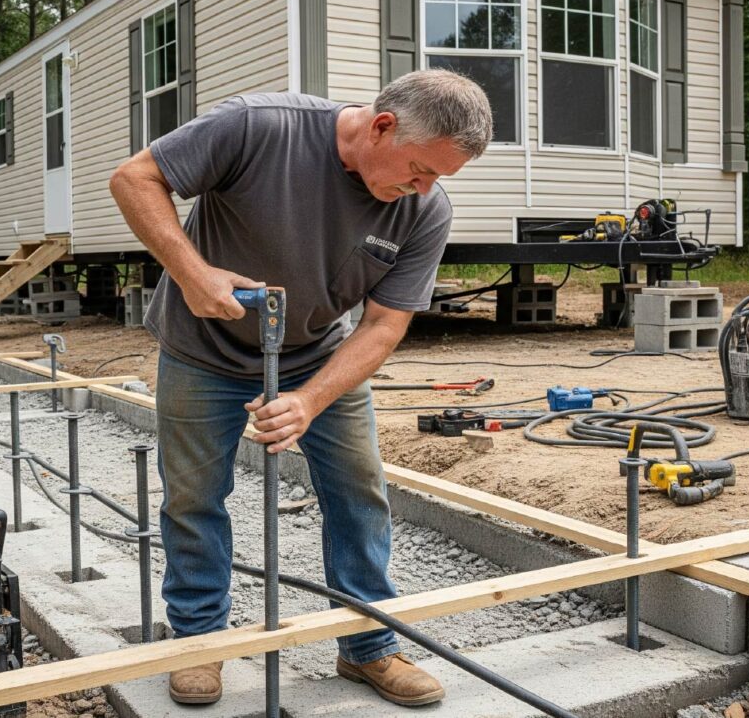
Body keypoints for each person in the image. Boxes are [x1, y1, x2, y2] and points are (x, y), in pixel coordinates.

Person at [110, 70, 492, 708]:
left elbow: (383, 325)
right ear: (381, 126)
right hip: (201, 351)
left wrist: (311, 400)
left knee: (358, 492)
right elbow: (134, 178)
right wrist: (192, 273)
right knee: (194, 496)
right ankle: (201, 642)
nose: (423, 188)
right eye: (420, 168)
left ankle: (370, 644)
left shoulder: (424, 210)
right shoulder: (259, 126)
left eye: (438, 179)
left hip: (319, 356)